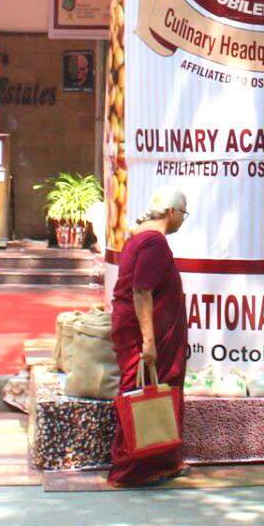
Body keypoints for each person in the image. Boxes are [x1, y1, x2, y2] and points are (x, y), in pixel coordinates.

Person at [110, 185, 191, 486]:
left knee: (159, 389)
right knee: (137, 392)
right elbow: (141, 291)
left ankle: (163, 462)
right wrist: (148, 342)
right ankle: (130, 470)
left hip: (143, 326)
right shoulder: (153, 243)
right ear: (171, 212)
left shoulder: (139, 238)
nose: (183, 220)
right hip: (144, 331)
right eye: (183, 214)